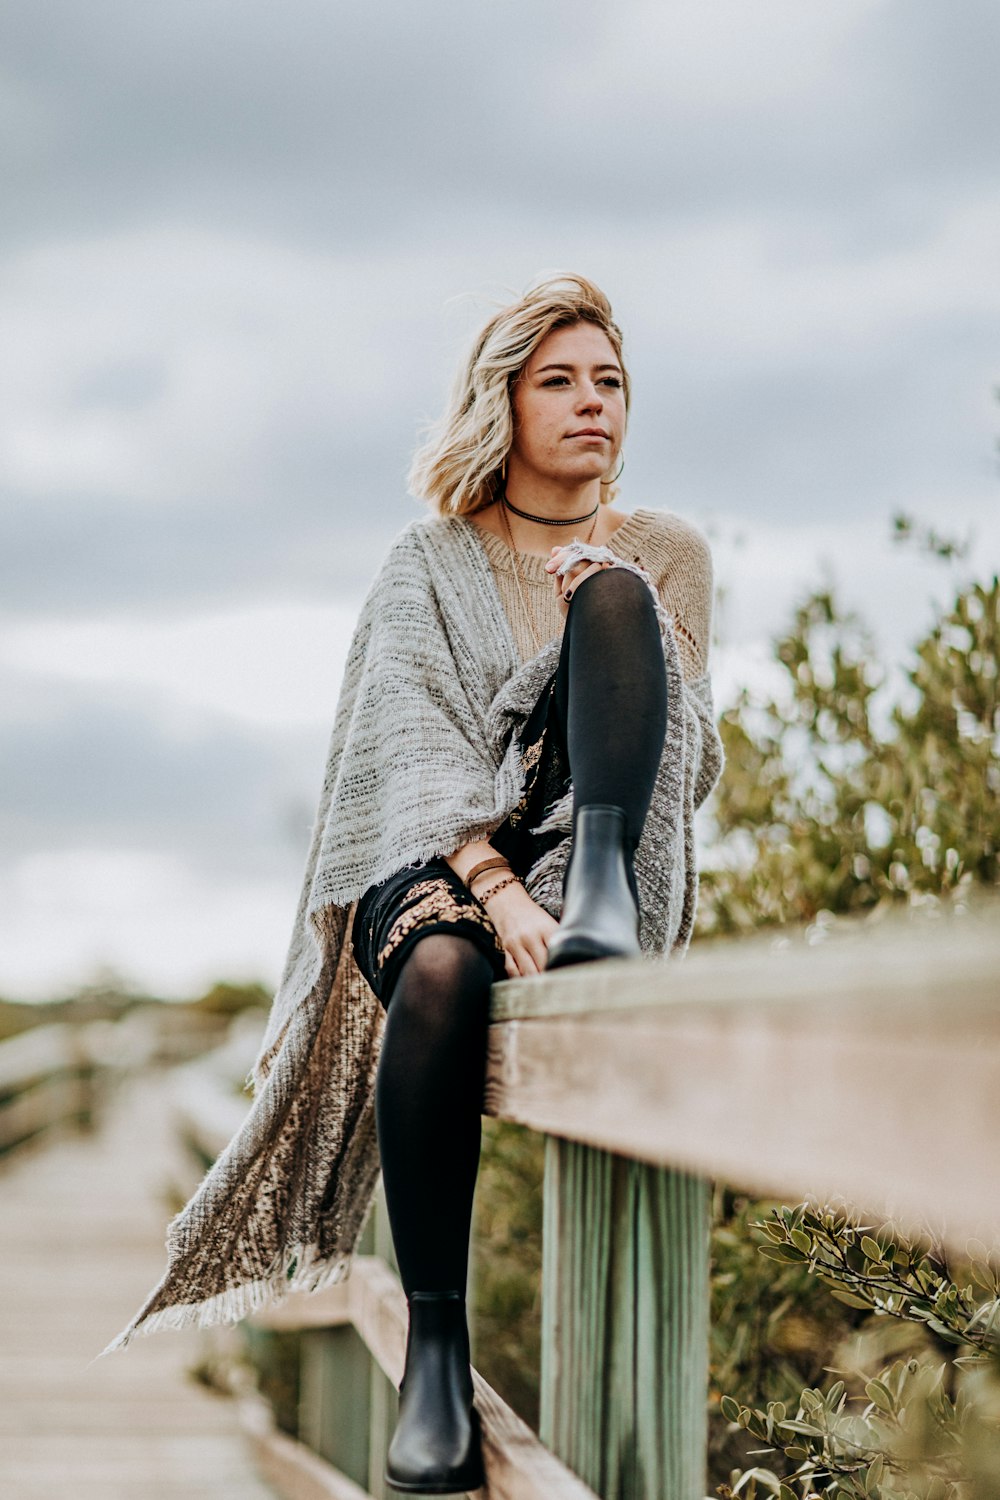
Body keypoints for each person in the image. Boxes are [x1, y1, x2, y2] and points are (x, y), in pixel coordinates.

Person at [102, 274, 725, 1497]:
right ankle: (432, 1351)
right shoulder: (426, 565)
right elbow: (411, 767)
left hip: (595, 853)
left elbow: (684, 756)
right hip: (442, 871)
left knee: (614, 599)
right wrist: (499, 897)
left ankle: (596, 903)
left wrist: (613, 616)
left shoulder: (664, 553)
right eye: (560, 379)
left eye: (609, 380)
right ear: (504, 401)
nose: (591, 402)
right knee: (438, 974)